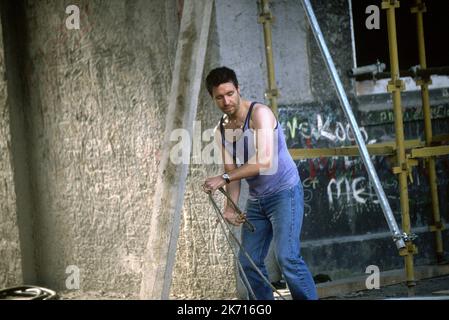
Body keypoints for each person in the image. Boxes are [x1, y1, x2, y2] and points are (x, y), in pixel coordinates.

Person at [202, 66, 317, 300]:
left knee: (287, 257)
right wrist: (230, 207)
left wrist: (222, 180)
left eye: (230, 93)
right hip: (257, 200)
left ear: (238, 89)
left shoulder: (259, 114)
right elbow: (231, 171)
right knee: (248, 262)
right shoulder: (221, 130)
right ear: (213, 99)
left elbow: (264, 161)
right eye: (219, 97)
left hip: (284, 193)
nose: (226, 101)